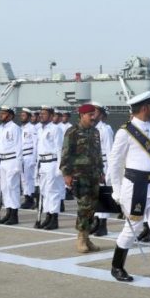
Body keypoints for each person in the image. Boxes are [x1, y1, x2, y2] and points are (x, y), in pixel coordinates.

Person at [108, 92, 150, 289]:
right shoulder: (125, 132)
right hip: (135, 186)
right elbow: (115, 163)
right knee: (133, 228)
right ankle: (116, 266)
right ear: (145, 108)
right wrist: (117, 190)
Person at [60, 104, 103, 253]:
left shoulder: (95, 132)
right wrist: (66, 174)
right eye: (90, 114)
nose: (93, 117)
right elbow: (65, 154)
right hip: (80, 175)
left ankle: (87, 237)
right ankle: (81, 239)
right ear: (81, 115)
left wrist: (101, 171)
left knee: (91, 208)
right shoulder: (72, 132)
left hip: (94, 175)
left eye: (94, 114)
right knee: (84, 207)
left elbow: (98, 154)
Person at [35, 106, 64, 230]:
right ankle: (48, 216)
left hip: (52, 163)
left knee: (53, 192)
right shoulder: (40, 129)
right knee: (45, 192)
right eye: (41, 113)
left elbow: (60, 148)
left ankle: (54, 218)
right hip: (43, 163)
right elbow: (38, 150)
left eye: (45, 113)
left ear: (52, 116)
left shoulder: (56, 129)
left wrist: (60, 167)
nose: (41, 115)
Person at [90, 102, 114, 237]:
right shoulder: (91, 129)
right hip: (93, 165)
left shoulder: (105, 129)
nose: (93, 114)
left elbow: (110, 152)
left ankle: (103, 225)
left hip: (103, 165)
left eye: (96, 111)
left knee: (103, 195)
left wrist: (108, 172)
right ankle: (97, 222)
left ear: (102, 114)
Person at [0, 106, 22, 225]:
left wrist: (18, 164)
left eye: (4, 113)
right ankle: (8, 212)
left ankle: (14, 215)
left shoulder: (15, 128)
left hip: (12, 160)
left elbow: (19, 146)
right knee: (5, 188)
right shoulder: (1, 128)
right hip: (3, 160)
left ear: (10, 116)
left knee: (13, 188)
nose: (1, 115)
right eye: (1, 113)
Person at [19, 108, 38, 209]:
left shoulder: (32, 128)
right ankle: (26, 196)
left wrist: (34, 158)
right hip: (22, 156)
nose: (22, 117)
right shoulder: (21, 128)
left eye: (24, 115)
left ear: (29, 117)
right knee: (23, 179)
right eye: (21, 115)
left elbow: (35, 144)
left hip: (29, 155)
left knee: (29, 179)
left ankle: (30, 198)